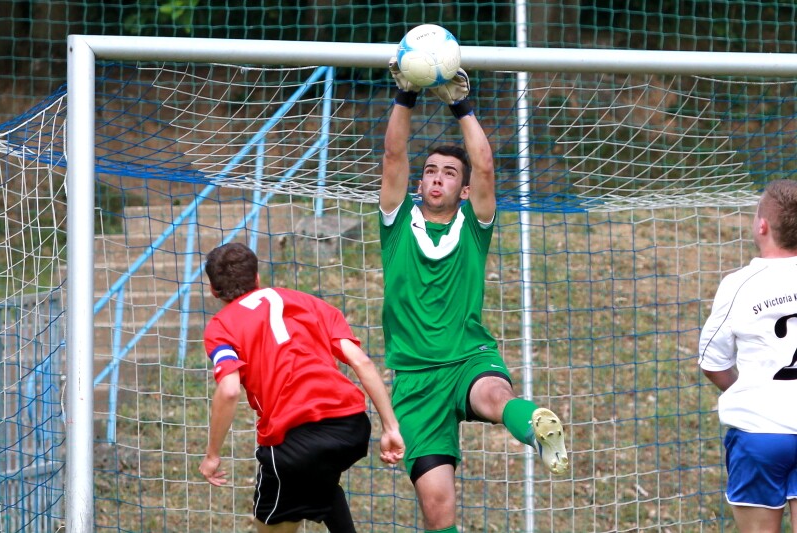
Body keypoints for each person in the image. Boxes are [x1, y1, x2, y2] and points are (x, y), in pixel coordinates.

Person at [379, 59, 569, 533]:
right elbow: (393, 156)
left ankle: (537, 427)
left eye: (448, 173)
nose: (436, 178)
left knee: (495, 395)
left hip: (467, 357)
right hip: (415, 380)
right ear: (419, 183)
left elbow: (484, 164)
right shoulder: (396, 223)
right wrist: (405, 95)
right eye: (430, 171)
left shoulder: (472, 227)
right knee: (438, 508)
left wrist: (461, 105)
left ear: (463, 191)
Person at [198, 242, 405, 533]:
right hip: (352, 428)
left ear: (213, 290)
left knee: (270, 525)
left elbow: (230, 389)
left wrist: (212, 455)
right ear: (257, 277)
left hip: (293, 440)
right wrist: (391, 427)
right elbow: (362, 362)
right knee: (318, 481)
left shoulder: (221, 326)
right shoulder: (308, 302)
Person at [699, 179, 797, 533]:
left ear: (762, 225)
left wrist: (752, 392)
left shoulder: (739, 285)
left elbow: (712, 362)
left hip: (760, 435)